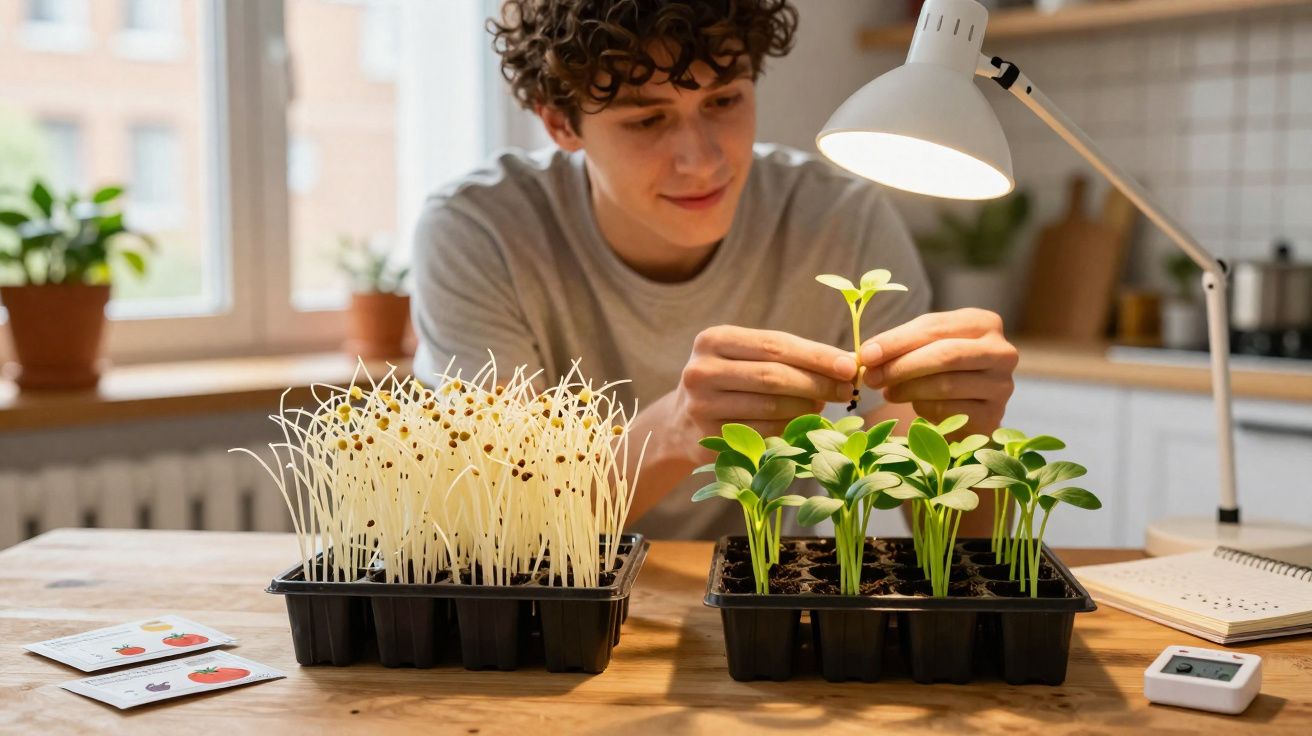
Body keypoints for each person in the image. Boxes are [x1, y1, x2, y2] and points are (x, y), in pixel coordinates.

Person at [411, 0, 1018, 539]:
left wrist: (964, 434)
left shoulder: (840, 218)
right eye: (647, 120)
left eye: (724, 100)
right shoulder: (480, 233)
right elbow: (495, 526)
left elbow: (952, 540)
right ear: (561, 123)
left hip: (771, 608)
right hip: (568, 622)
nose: (701, 161)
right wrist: (673, 430)